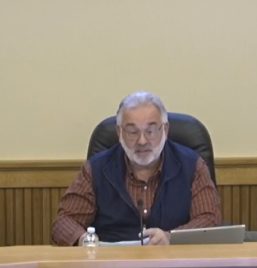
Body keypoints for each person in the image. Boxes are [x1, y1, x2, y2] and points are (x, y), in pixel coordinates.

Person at [52, 91, 221, 246]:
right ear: (119, 132)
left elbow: (209, 219)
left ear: (165, 129)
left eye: (151, 131)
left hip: (174, 263)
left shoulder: (192, 165)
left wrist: (171, 238)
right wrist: (84, 240)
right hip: (111, 264)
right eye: (132, 132)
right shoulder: (96, 169)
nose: (142, 141)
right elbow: (64, 222)